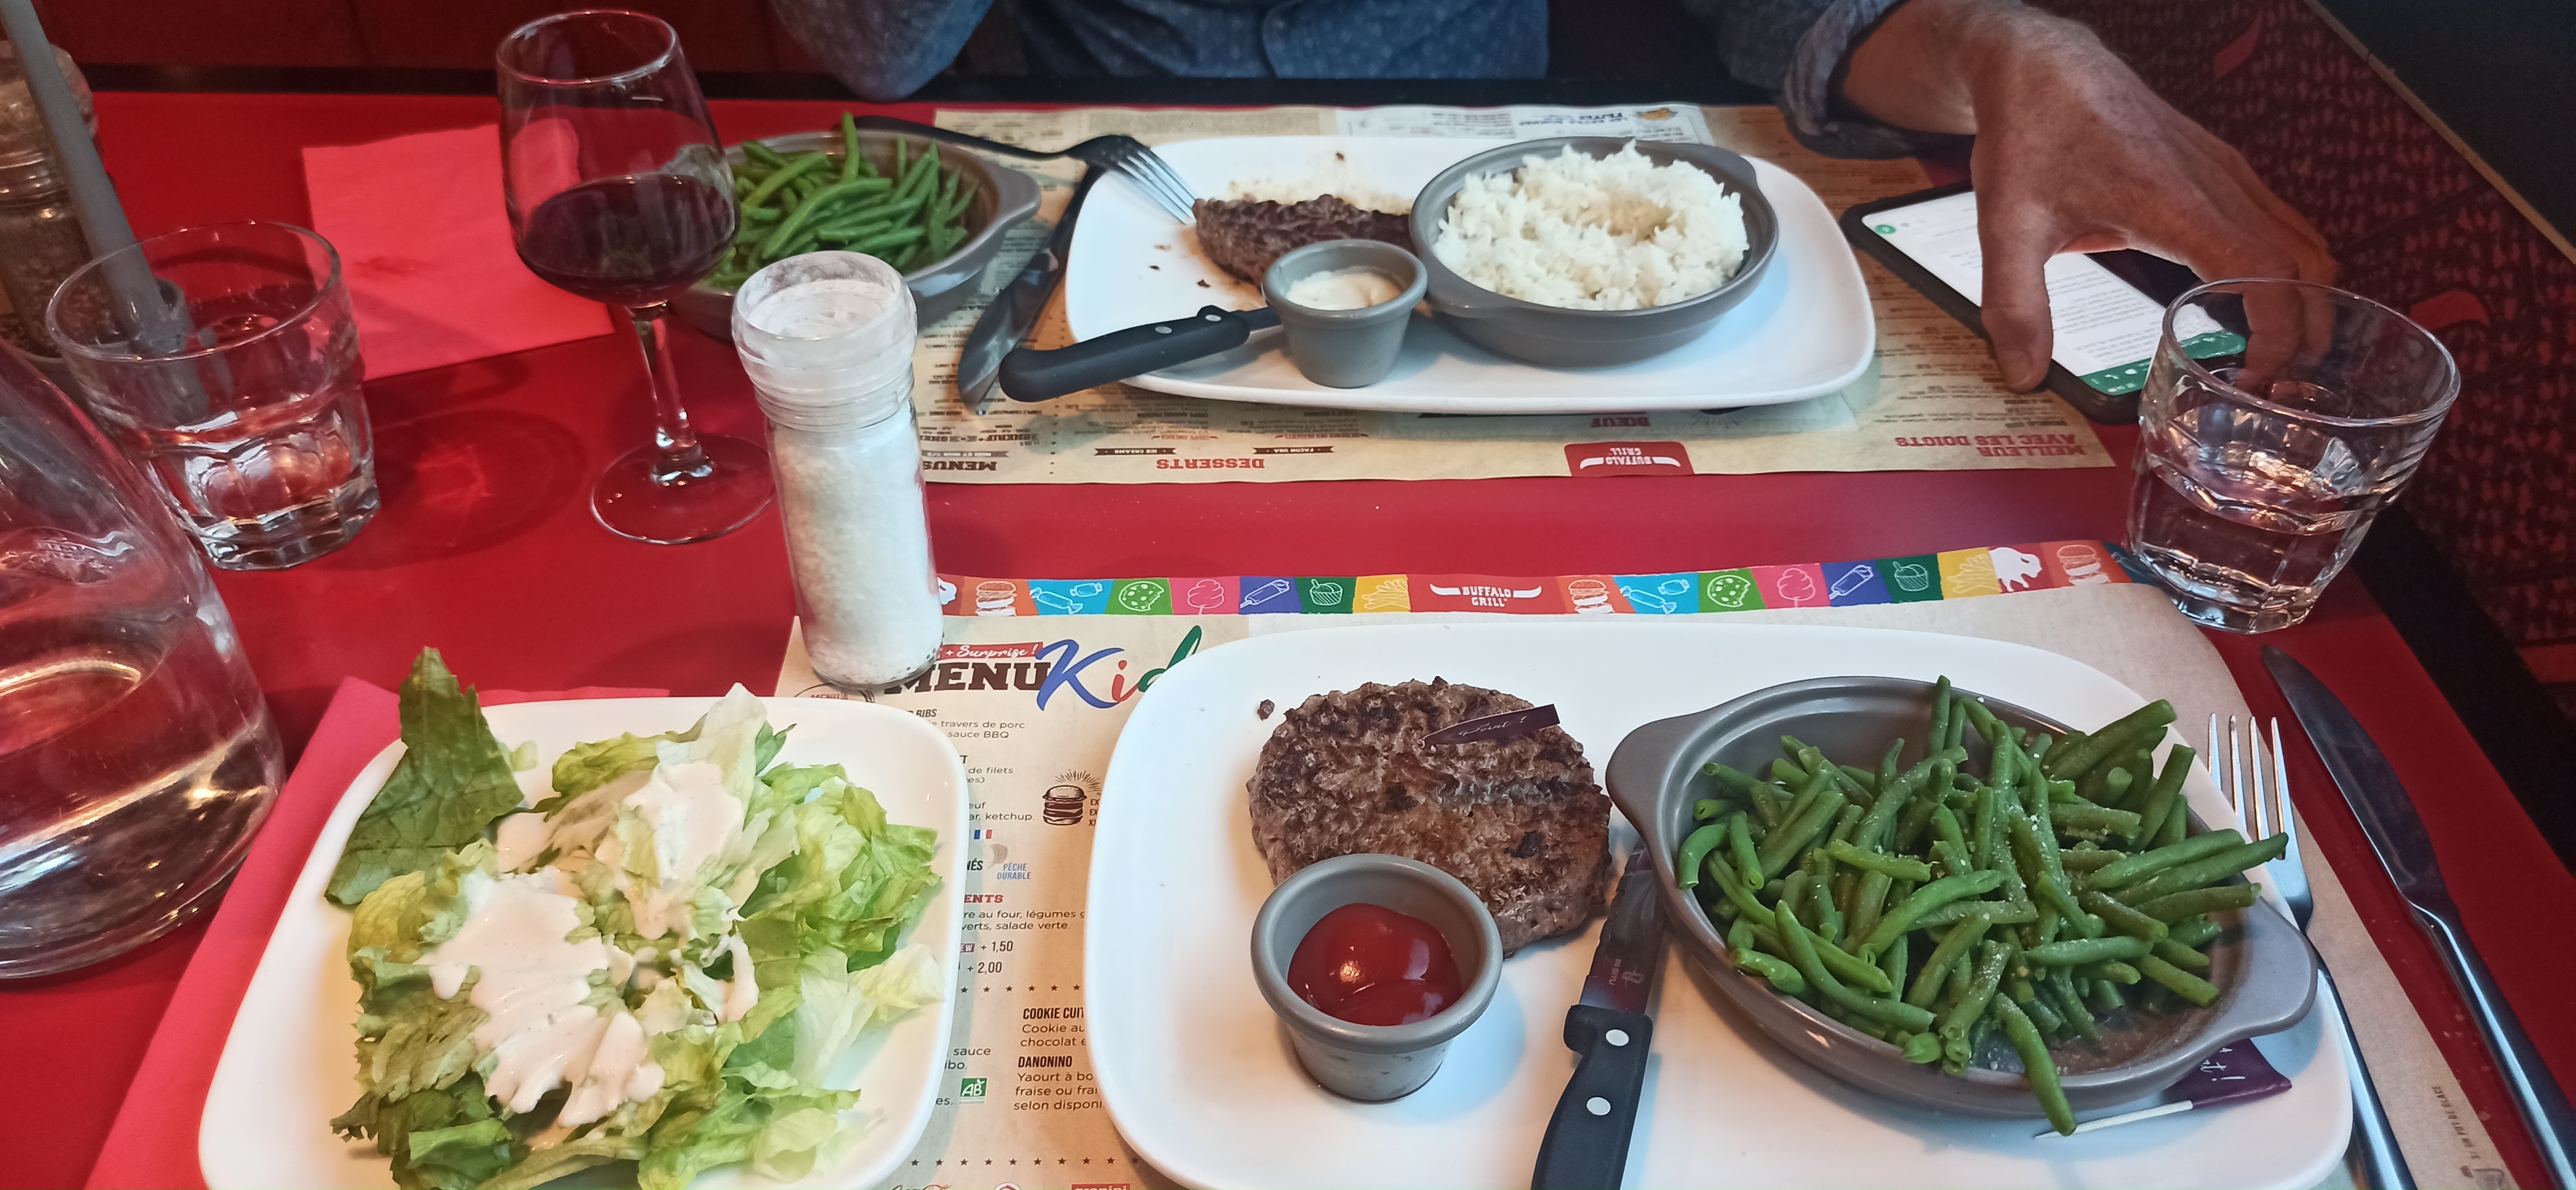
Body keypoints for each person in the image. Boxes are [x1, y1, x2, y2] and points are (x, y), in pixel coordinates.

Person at [776, 0, 2334, 391]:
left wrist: (2005, 39)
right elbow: (870, 48)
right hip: (1111, 195)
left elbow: (1806, 18)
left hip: (1511, 188)